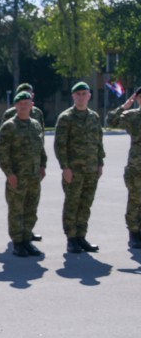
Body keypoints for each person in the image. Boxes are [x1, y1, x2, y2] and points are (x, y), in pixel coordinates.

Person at [54, 82, 105, 253]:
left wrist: (100, 163)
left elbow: (99, 141)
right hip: (74, 171)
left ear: (89, 95)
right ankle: (71, 238)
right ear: (73, 96)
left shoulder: (94, 117)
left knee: (86, 204)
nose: (81, 97)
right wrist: (65, 167)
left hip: (91, 170)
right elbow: (60, 145)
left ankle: (81, 236)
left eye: (84, 93)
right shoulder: (66, 118)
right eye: (78, 94)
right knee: (72, 204)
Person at [0, 91, 46, 257]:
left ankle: (27, 240)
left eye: (27, 102)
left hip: (33, 177)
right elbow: (1, 152)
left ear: (32, 105)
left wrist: (43, 166)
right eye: (20, 103)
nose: (24, 105)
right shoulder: (9, 126)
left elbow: (41, 148)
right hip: (17, 177)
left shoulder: (36, 125)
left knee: (31, 209)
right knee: (16, 210)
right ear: (15, 106)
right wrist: (9, 174)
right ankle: (17, 242)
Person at [107, 86, 141, 249]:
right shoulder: (132, 116)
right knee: (135, 199)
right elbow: (110, 121)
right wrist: (124, 106)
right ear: (138, 99)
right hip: (137, 165)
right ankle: (134, 233)